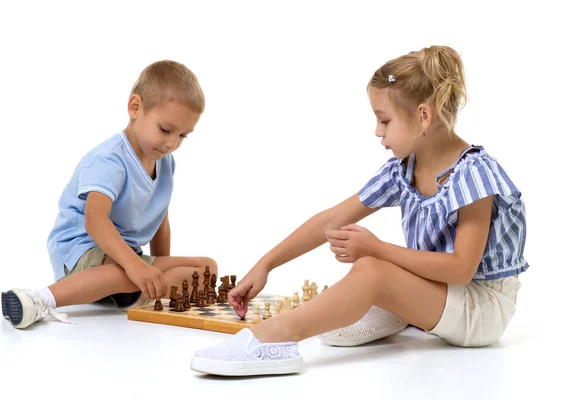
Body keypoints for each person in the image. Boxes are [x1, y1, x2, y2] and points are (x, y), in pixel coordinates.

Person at [190, 45, 527, 376]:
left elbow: (460, 270)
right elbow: (331, 219)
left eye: (384, 120)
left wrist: (376, 248)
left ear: (423, 116)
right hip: (438, 286)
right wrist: (265, 265)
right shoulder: (403, 169)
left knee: (372, 269)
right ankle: (400, 309)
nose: (378, 132)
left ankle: (273, 339)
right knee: (336, 332)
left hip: (481, 306)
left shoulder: (474, 173)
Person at [2, 60, 217, 329]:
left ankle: (136, 291)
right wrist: (138, 268)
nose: (172, 143)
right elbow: (95, 221)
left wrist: (155, 270)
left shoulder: (165, 162)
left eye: (183, 135)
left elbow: (161, 217)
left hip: (125, 257)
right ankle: (41, 299)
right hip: (82, 249)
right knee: (124, 271)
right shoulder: (109, 160)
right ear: (135, 108)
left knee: (208, 269)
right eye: (165, 130)